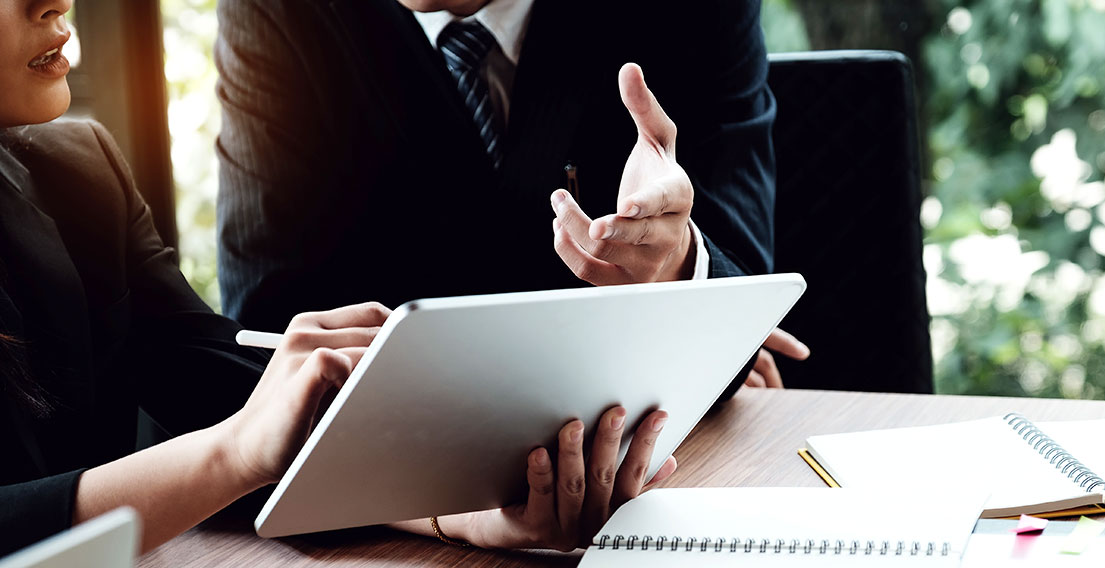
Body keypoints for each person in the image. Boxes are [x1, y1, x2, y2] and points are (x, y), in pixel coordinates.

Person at [0, 0, 674, 556]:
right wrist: (229, 455)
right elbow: (235, 440)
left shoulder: (79, 175)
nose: (55, 3)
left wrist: (465, 512)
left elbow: (225, 396)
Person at [214, 0, 810, 394]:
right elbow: (273, 329)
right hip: (403, 481)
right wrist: (665, 346)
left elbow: (740, 285)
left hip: (656, 459)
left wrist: (681, 273)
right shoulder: (277, 12)